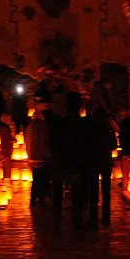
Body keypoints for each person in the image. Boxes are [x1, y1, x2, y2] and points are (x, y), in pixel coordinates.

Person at [49, 92, 87, 228]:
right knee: (69, 190)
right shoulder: (79, 125)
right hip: (70, 161)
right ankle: (69, 218)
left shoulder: (61, 124)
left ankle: (61, 217)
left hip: (65, 161)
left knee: (66, 190)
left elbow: (53, 142)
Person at [84, 106, 118, 228]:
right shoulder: (108, 128)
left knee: (93, 190)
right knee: (106, 190)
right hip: (105, 162)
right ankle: (105, 218)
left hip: (94, 162)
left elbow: (86, 144)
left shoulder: (91, 129)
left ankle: (93, 219)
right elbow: (114, 145)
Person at [26, 102, 52, 205]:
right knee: (43, 178)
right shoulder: (42, 126)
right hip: (41, 157)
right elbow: (43, 142)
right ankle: (41, 198)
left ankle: (33, 199)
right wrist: (47, 154)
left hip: (32, 157)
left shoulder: (29, 127)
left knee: (36, 179)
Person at [118, 110, 130, 189]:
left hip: (126, 147)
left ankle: (125, 185)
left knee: (125, 166)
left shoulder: (125, 124)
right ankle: (125, 182)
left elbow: (123, 134)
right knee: (125, 166)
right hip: (128, 146)